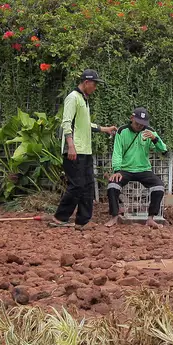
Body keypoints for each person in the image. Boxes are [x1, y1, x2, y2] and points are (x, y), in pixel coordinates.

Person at [51, 69, 118, 228]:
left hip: (85, 150)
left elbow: (84, 125)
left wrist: (104, 129)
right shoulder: (73, 98)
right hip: (74, 150)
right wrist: (71, 146)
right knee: (77, 185)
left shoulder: (84, 99)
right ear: (86, 82)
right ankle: (60, 218)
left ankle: (83, 221)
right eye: (94, 84)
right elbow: (66, 123)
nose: (95, 88)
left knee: (87, 185)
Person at [105, 107, 168, 229]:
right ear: (131, 118)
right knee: (112, 186)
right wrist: (117, 170)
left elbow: (163, 151)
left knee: (159, 187)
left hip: (144, 169)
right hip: (125, 169)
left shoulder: (149, 131)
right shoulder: (122, 131)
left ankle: (150, 218)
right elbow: (117, 152)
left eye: (142, 124)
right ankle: (114, 216)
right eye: (137, 123)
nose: (140, 126)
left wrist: (155, 139)